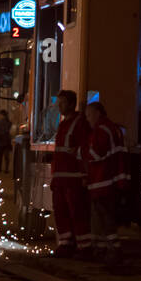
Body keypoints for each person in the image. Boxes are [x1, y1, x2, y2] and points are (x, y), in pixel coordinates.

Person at [84, 100, 130, 267]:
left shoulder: (101, 130)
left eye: (89, 115)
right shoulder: (113, 128)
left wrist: (83, 150)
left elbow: (95, 154)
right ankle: (103, 250)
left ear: (97, 113)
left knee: (105, 218)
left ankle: (113, 251)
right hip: (106, 182)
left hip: (102, 182)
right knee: (101, 218)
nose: (87, 119)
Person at [50, 90, 92, 258]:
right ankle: (66, 244)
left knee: (77, 212)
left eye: (62, 103)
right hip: (61, 178)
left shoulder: (79, 123)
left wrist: (84, 176)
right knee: (61, 212)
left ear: (71, 104)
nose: (59, 107)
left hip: (73, 178)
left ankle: (84, 247)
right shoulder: (63, 124)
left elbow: (84, 150)